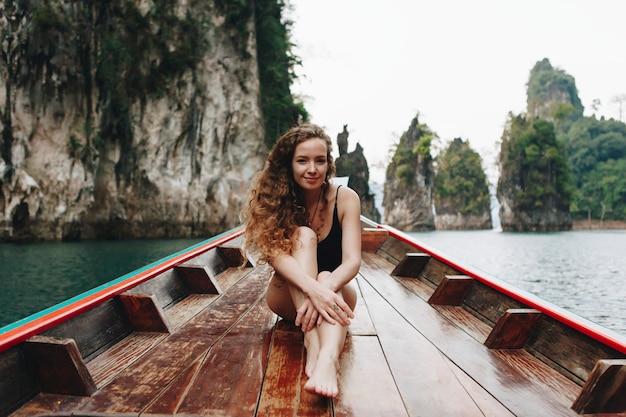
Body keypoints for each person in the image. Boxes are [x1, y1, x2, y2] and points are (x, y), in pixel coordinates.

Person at [242, 123, 361, 398]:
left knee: (325, 275)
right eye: (302, 161)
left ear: (328, 163)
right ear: (289, 164)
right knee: (304, 235)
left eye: (320, 161)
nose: (312, 169)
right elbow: (279, 260)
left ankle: (328, 359)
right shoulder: (274, 200)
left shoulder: (346, 199)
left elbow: (353, 261)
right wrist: (313, 289)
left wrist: (324, 287)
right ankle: (312, 342)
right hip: (287, 297)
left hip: (334, 292)